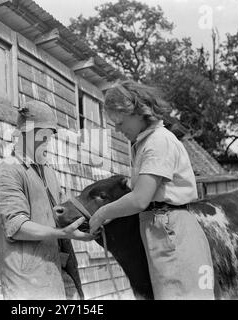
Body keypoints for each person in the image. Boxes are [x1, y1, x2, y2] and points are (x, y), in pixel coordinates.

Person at [89, 80, 215, 300]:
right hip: (162, 227)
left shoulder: (157, 143)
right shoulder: (146, 143)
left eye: (119, 122)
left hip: (169, 228)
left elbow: (139, 199)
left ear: (137, 112)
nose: (117, 129)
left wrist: (101, 213)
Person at [0, 100, 95, 300]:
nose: (48, 142)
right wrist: (63, 233)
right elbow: (17, 226)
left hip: (58, 272)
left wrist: (97, 217)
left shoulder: (46, 170)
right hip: (28, 283)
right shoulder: (9, 172)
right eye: (44, 136)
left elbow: (63, 208)